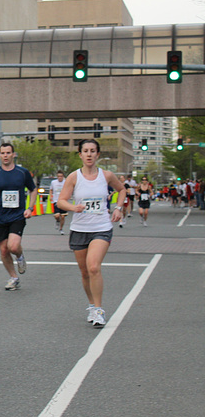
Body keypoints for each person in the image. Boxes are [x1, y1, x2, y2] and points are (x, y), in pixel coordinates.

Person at [56, 139, 125, 328]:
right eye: (85, 151)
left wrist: (118, 208)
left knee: (94, 267)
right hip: (79, 229)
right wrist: (73, 207)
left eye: (92, 151)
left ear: (98, 155)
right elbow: (61, 201)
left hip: (101, 228)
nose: (89, 154)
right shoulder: (73, 177)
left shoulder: (107, 175)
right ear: (80, 154)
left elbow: (122, 190)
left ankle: (99, 310)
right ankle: (92, 305)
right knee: (85, 272)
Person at [0, 142, 37, 291]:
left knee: (13, 246)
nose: (5, 156)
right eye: (3, 153)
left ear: (13, 154)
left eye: (8, 153)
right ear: (0, 155)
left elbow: (33, 190)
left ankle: (20, 257)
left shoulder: (22, 172)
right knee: (3, 250)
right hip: (1, 217)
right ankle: (14, 277)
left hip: (17, 215)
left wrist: (30, 208)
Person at [49, 170, 67, 235]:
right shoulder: (53, 182)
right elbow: (51, 190)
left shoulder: (66, 182)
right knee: (57, 215)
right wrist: (51, 196)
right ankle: (57, 221)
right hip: (56, 200)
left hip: (63, 201)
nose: (60, 177)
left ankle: (61, 229)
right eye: (58, 176)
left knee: (62, 216)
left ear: (63, 176)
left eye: (61, 176)